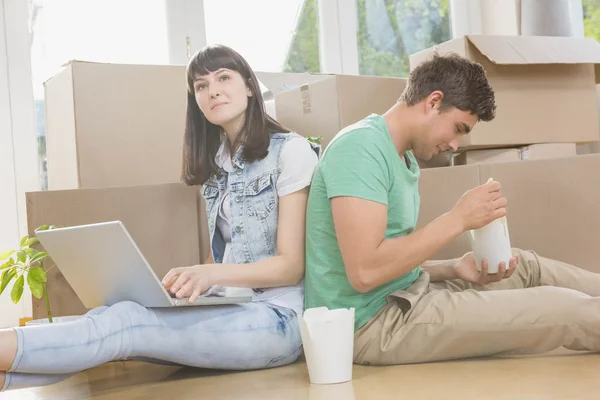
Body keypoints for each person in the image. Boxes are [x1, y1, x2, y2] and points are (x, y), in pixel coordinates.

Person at [0, 44, 319, 391]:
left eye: (223, 77)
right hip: (235, 308)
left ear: (248, 86)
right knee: (117, 311)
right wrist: (186, 284)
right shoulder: (218, 166)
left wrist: (209, 272)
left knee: (127, 324)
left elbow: (291, 266)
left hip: (278, 320)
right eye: (200, 85)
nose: (212, 90)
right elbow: (226, 255)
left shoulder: (292, 151)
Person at [304, 52, 600, 366]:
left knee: (528, 265)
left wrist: (453, 267)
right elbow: (365, 272)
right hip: (371, 324)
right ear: (433, 101)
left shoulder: (401, 156)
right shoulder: (360, 149)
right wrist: (458, 219)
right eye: (458, 128)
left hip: (402, 294)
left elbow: (387, 262)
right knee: (561, 308)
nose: (456, 145)